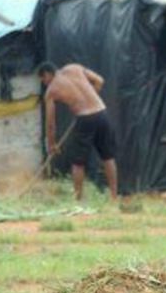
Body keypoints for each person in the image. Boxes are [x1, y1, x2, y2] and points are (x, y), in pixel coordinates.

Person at [37, 62, 118, 200]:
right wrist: (90, 99)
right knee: (108, 157)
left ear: (47, 74)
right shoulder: (74, 68)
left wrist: (51, 144)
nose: (44, 83)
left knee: (78, 162)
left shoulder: (51, 91)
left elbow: (50, 123)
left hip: (85, 118)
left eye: (43, 80)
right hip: (101, 113)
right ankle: (114, 196)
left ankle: (78, 200)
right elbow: (99, 81)